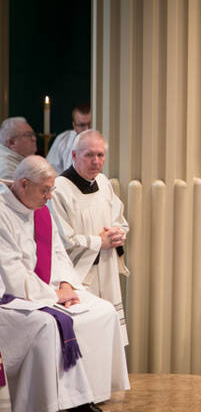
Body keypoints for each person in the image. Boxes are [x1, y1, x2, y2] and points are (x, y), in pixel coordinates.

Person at [0, 156, 129, 412]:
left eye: (51, 190)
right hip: (10, 298)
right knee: (47, 325)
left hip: (47, 290)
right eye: (44, 190)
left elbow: (57, 254)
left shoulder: (40, 208)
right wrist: (51, 295)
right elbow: (10, 270)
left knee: (102, 312)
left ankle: (83, 406)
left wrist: (68, 285)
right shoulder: (1, 212)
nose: (49, 197)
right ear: (23, 184)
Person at [50, 130, 130, 344]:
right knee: (86, 338)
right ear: (74, 156)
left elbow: (119, 218)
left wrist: (117, 234)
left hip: (106, 268)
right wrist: (99, 242)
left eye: (100, 155)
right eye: (89, 155)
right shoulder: (59, 190)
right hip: (79, 276)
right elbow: (61, 240)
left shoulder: (104, 182)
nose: (96, 161)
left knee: (108, 336)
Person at [46, 103, 92, 174]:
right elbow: (50, 171)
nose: (87, 129)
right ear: (74, 126)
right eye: (82, 125)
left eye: (90, 124)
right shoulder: (63, 139)